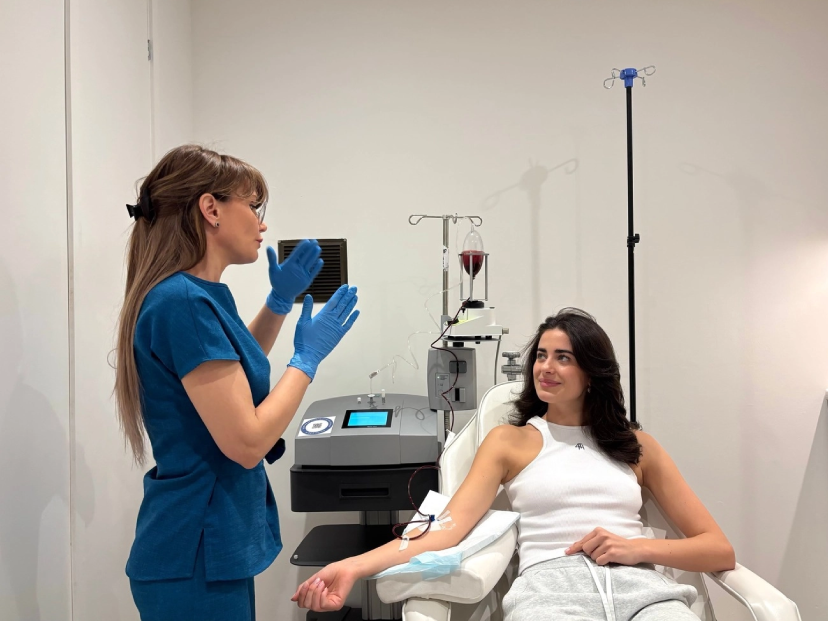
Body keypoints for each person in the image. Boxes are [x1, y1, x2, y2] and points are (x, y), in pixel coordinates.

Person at [292, 308, 735, 620]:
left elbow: (718, 548)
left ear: (593, 373)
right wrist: (353, 566)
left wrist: (637, 548)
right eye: (542, 355)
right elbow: (446, 529)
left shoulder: (639, 447)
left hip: (645, 593)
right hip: (551, 593)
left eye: (564, 357)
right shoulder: (511, 441)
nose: (546, 367)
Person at [114, 144, 360, 621]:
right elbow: (247, 441)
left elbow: (229, 373)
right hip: (193, 550)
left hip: (205, 542)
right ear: (211, 209)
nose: (261, 223)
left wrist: (279, 302)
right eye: (253, 205)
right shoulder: (180, 301)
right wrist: (306, 360)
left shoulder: (197, 295)